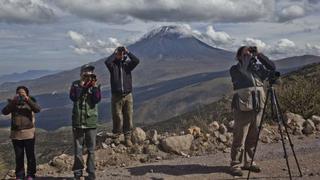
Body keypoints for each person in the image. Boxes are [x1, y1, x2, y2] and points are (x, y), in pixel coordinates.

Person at [229, 46, 276, 176]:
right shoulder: (235, 69)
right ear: (238, 57)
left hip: (258, 105)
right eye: (245, 55)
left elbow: (273, 68)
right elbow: (244, 71)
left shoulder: (257, 68)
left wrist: (259, 55)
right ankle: (235, 164)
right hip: (242, 107)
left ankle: (249, 162)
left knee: (253, 136)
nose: (249, 56)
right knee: (240, 137)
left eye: (250, 54)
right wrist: (247, 60)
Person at [69, 64, 101, 180]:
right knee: (78, 149)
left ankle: (91, 173)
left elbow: (97, 99)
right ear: (82, 73)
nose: (88, 74)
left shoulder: (94, 85)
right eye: (86, 72)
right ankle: (78, 173)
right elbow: (74, 97)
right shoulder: (75, 84)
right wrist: (81, 85)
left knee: (91, 150)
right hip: (78, 122)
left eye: (90, 72)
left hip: (91, 122)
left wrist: (95, 87)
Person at [1, 86, 41, 180]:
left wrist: (28, 100)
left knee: (30, 155)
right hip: (16, 134)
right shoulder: (13, 103)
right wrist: (13, 102)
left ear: (27, 93)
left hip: (29, 133)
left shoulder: (30, 101)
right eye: (19, 93)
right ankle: (20, 175)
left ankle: (31, 174)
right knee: (19, 156)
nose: (20, 94)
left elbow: (37, 109)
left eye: (22, 93)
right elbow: (4, 112)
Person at [104, 46, 140, 147]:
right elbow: (107, 62)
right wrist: (114, 53)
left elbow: (136, 60)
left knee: (128, 117)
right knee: (117, 117)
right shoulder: (113, 65)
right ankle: (116, 137)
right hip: (116, 96)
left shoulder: (127, 65)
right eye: (119, 53)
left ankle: (127, 138)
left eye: (122, 53)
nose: (121, 54)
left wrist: (128, 52)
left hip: (128, 95)